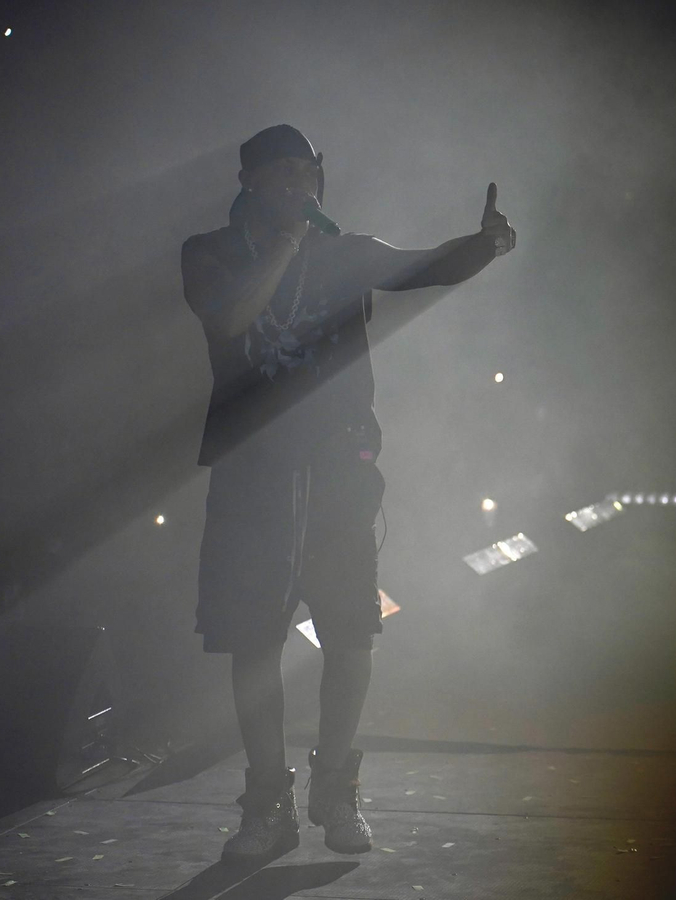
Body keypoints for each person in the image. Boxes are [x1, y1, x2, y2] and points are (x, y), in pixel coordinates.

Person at [180, 124, 516, 862]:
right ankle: (267, 804)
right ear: (250, 183)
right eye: (282, 175)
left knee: (351, 631)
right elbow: (232, 321)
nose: (300, 186)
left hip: (337, 469)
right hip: (255, 475)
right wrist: (286, 246)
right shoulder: (208, 253)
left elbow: (423, 266)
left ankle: (335, 787)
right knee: (253, 640)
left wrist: (484, 244)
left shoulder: (347, 251)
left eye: (309, 172)